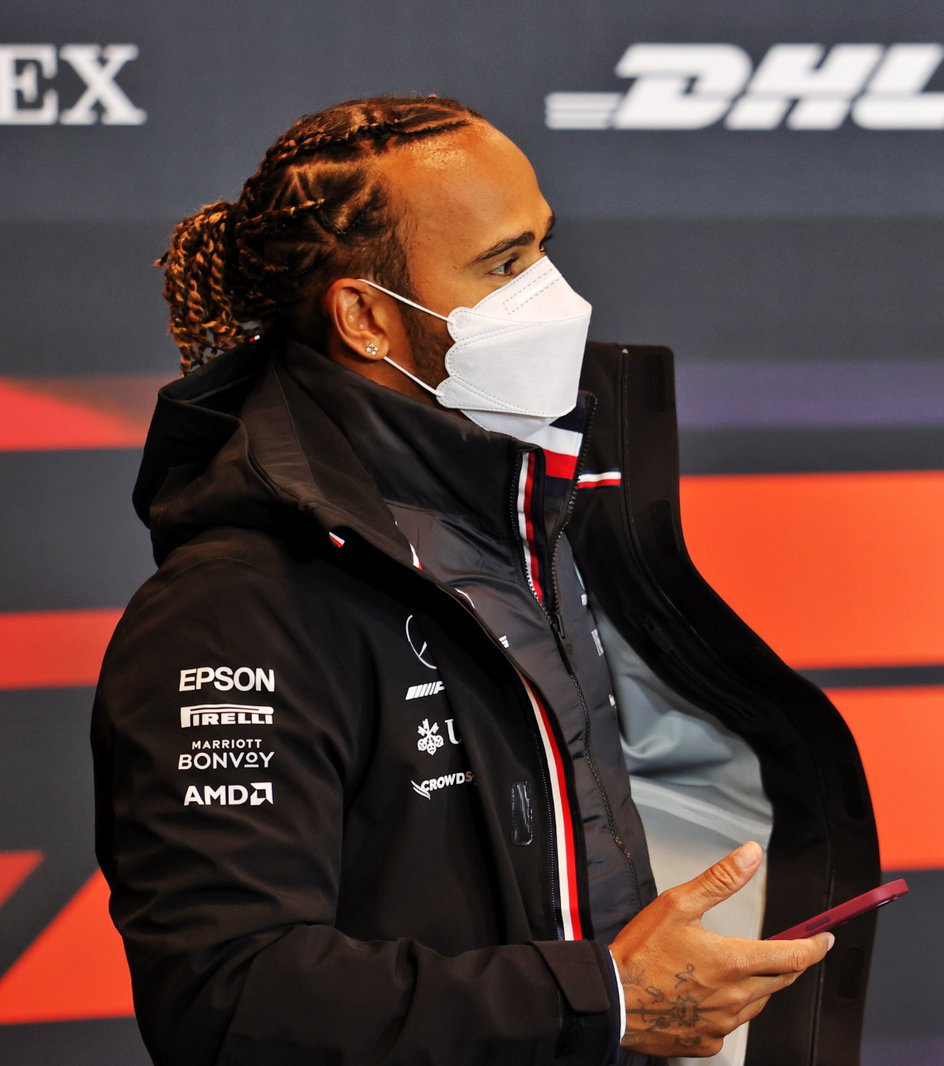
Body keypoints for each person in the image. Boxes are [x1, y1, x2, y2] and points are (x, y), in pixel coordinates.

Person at [91, 95, 880, 1066]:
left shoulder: (521, 518)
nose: (552, 294)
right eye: (504, 264)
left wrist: (627, 1004)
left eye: (542, 247)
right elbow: (229, 999)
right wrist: (608, 1002)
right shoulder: (235, 606)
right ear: (368, 316)